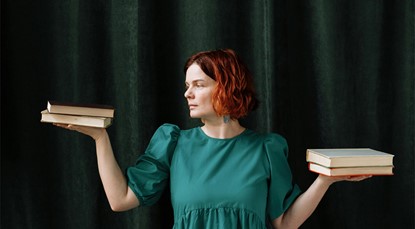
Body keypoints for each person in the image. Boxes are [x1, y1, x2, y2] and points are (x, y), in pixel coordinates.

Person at [54, 48, 371, 229]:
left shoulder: (266, 148)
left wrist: (325, 180)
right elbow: (119, 200)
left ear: (226, 87)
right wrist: (99, 137)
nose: (187, 93)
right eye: (187, 85)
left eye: (198, 85)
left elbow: (284, 225)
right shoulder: (174, 142)